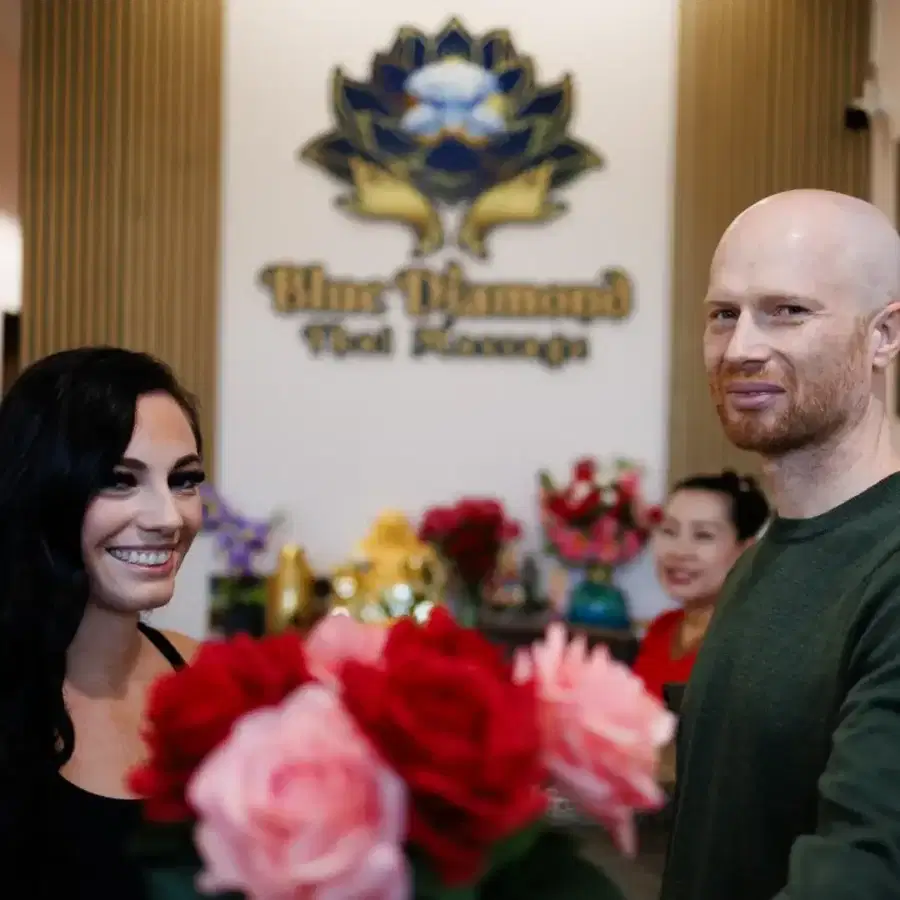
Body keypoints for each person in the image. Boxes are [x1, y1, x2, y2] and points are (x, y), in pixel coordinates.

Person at [660, 189, 900, 900]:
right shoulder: (760, 561)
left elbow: (863, 873)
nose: (741, 348)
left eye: (787, 312)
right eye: (723, 314)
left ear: (885, 335)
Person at [0, 347, 205, 898]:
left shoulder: (208, 682)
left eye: (184, 480)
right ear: (42, 489)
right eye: (119, 479)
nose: (168, 518)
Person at [633, 470, 769, 702]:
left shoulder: (752, 647)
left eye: (703, 535)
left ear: (747, 550)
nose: (679, 551)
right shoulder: (662, 628)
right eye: (669, 531)